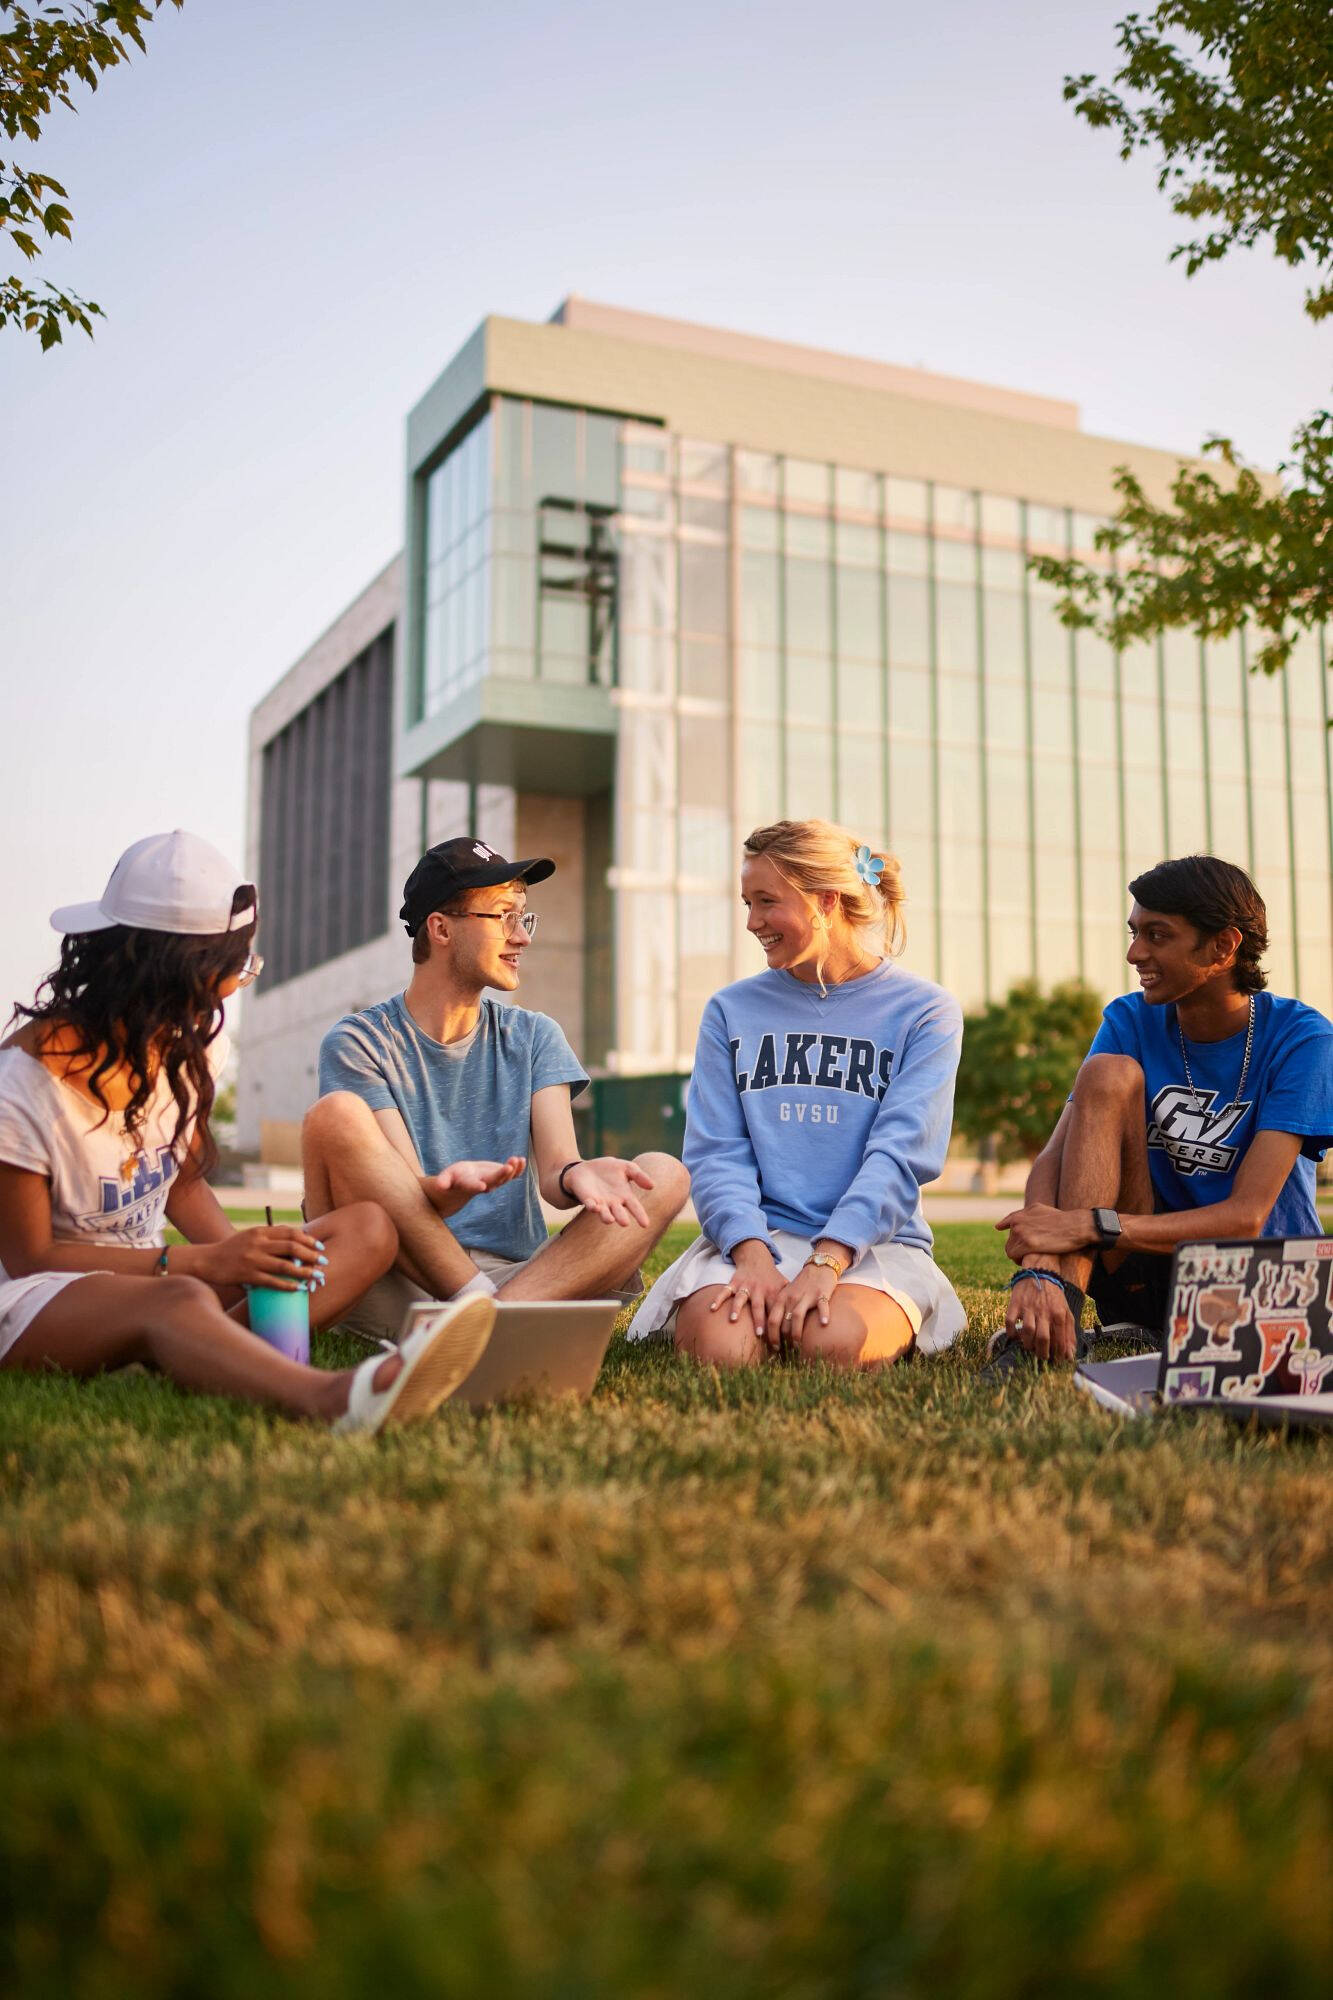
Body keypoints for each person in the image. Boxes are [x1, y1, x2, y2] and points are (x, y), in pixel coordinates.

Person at [0, 831, 495, 1433]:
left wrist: (253, 1259)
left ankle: (182, 1349)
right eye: (232, 968)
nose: (236, 985)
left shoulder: (190, 1049)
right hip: (38, 1300)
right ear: (166, 973)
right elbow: (30, 1258)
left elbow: (181, 1186)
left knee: (366, 1230)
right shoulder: (23, 1086)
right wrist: (204, 1264)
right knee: (179, 1300)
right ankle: (333, 1398)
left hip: (154, 1277)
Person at [302, 835, 690, 1339]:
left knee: (666, 1174)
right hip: (403, 1276)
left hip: (519, 1278)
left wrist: (577, 1175)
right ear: (440, 929)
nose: (522, 936)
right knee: (337, 1114)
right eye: (504, 915)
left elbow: (556, 1171)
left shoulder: (534, 1036)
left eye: (523, 917)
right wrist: (448, 1192)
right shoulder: (360, 1042)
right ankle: (495, 1322)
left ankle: (488, 1322)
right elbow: (402, 1204)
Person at [627, 819, 967, 1366]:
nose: (752, 922)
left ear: (825, 901)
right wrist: (751, 1253)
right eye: (747, 902)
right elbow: (716, 1151)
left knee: (828, 1345)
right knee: (723, 1351)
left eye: (766, 902)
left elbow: (901, 1154)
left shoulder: (925, 1011)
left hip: (873, 1245)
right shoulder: (729, 1011)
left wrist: (828, 1259)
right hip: (756, 1239)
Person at [989, 854, 1333, 1371]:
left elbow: (1246, 1218)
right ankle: (1056, 1319)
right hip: (1142, 1269)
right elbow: (1052, 1161)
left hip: (1256, 1279)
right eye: (1134, 932)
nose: (1134, 952)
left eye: (1157, 935)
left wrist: (1090, 1225)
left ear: (1223, 946)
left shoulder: (1302, 1039)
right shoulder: (1129, 1017)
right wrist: (1040, 1263)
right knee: (1106, 1073)